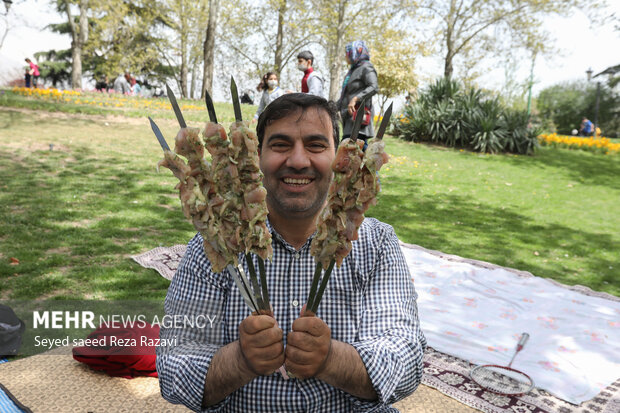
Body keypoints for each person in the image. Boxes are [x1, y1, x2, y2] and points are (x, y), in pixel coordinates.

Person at [157, 93, 426, 412]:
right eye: (281, 144)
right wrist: (239, 360)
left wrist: (331, 359)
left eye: (315, 145)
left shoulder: (376, 243)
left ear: (340, 158)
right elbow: (173, 369)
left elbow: (406, 359)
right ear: (255, 156)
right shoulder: (214, 246)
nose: (298, 161)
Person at [337, 41, 378, 148]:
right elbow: (346, 95)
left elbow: (374, 87)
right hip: (349, 117)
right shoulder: (353, 70)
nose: (345, 56)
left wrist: (356, 98)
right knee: (348, 151)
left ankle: (370, 164)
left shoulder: (366, 67)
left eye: (347, 53)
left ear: (355, 52)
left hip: (359, 117)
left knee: (356, 148)